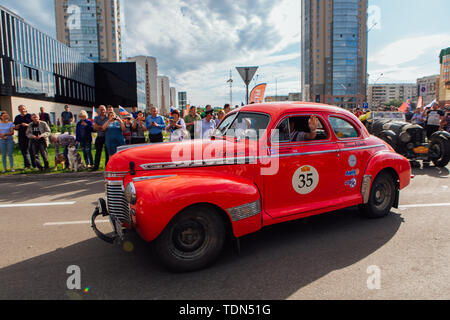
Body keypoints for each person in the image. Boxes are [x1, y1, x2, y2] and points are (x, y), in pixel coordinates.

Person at [14, 105, 35, 169]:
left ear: (25, 109)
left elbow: (34, 125)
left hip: (29, 135)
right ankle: (27, 165)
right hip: (21, 135)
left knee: (31, 150)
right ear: (19, 110)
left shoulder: (29, 116)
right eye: (20, 109)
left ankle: (34, 165)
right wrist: (16, 127)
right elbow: (15, 127)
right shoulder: (17, 117)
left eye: (23, 109)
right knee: (24, 151)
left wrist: (27, 125)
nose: (22, 110)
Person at [92, 105, 109, 171]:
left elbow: (107, 127)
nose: (102, 111)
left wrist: (100, 127)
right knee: (98, 152)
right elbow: (95, 127)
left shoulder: (108, 118)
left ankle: (107, 166)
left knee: (107, 152)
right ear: (99, 110)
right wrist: (102, 127)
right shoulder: (96, 118)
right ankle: (96, 166)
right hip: (99, 136)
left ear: (105, 110)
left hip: (107, 137)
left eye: (103, 109)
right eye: (101, 109)